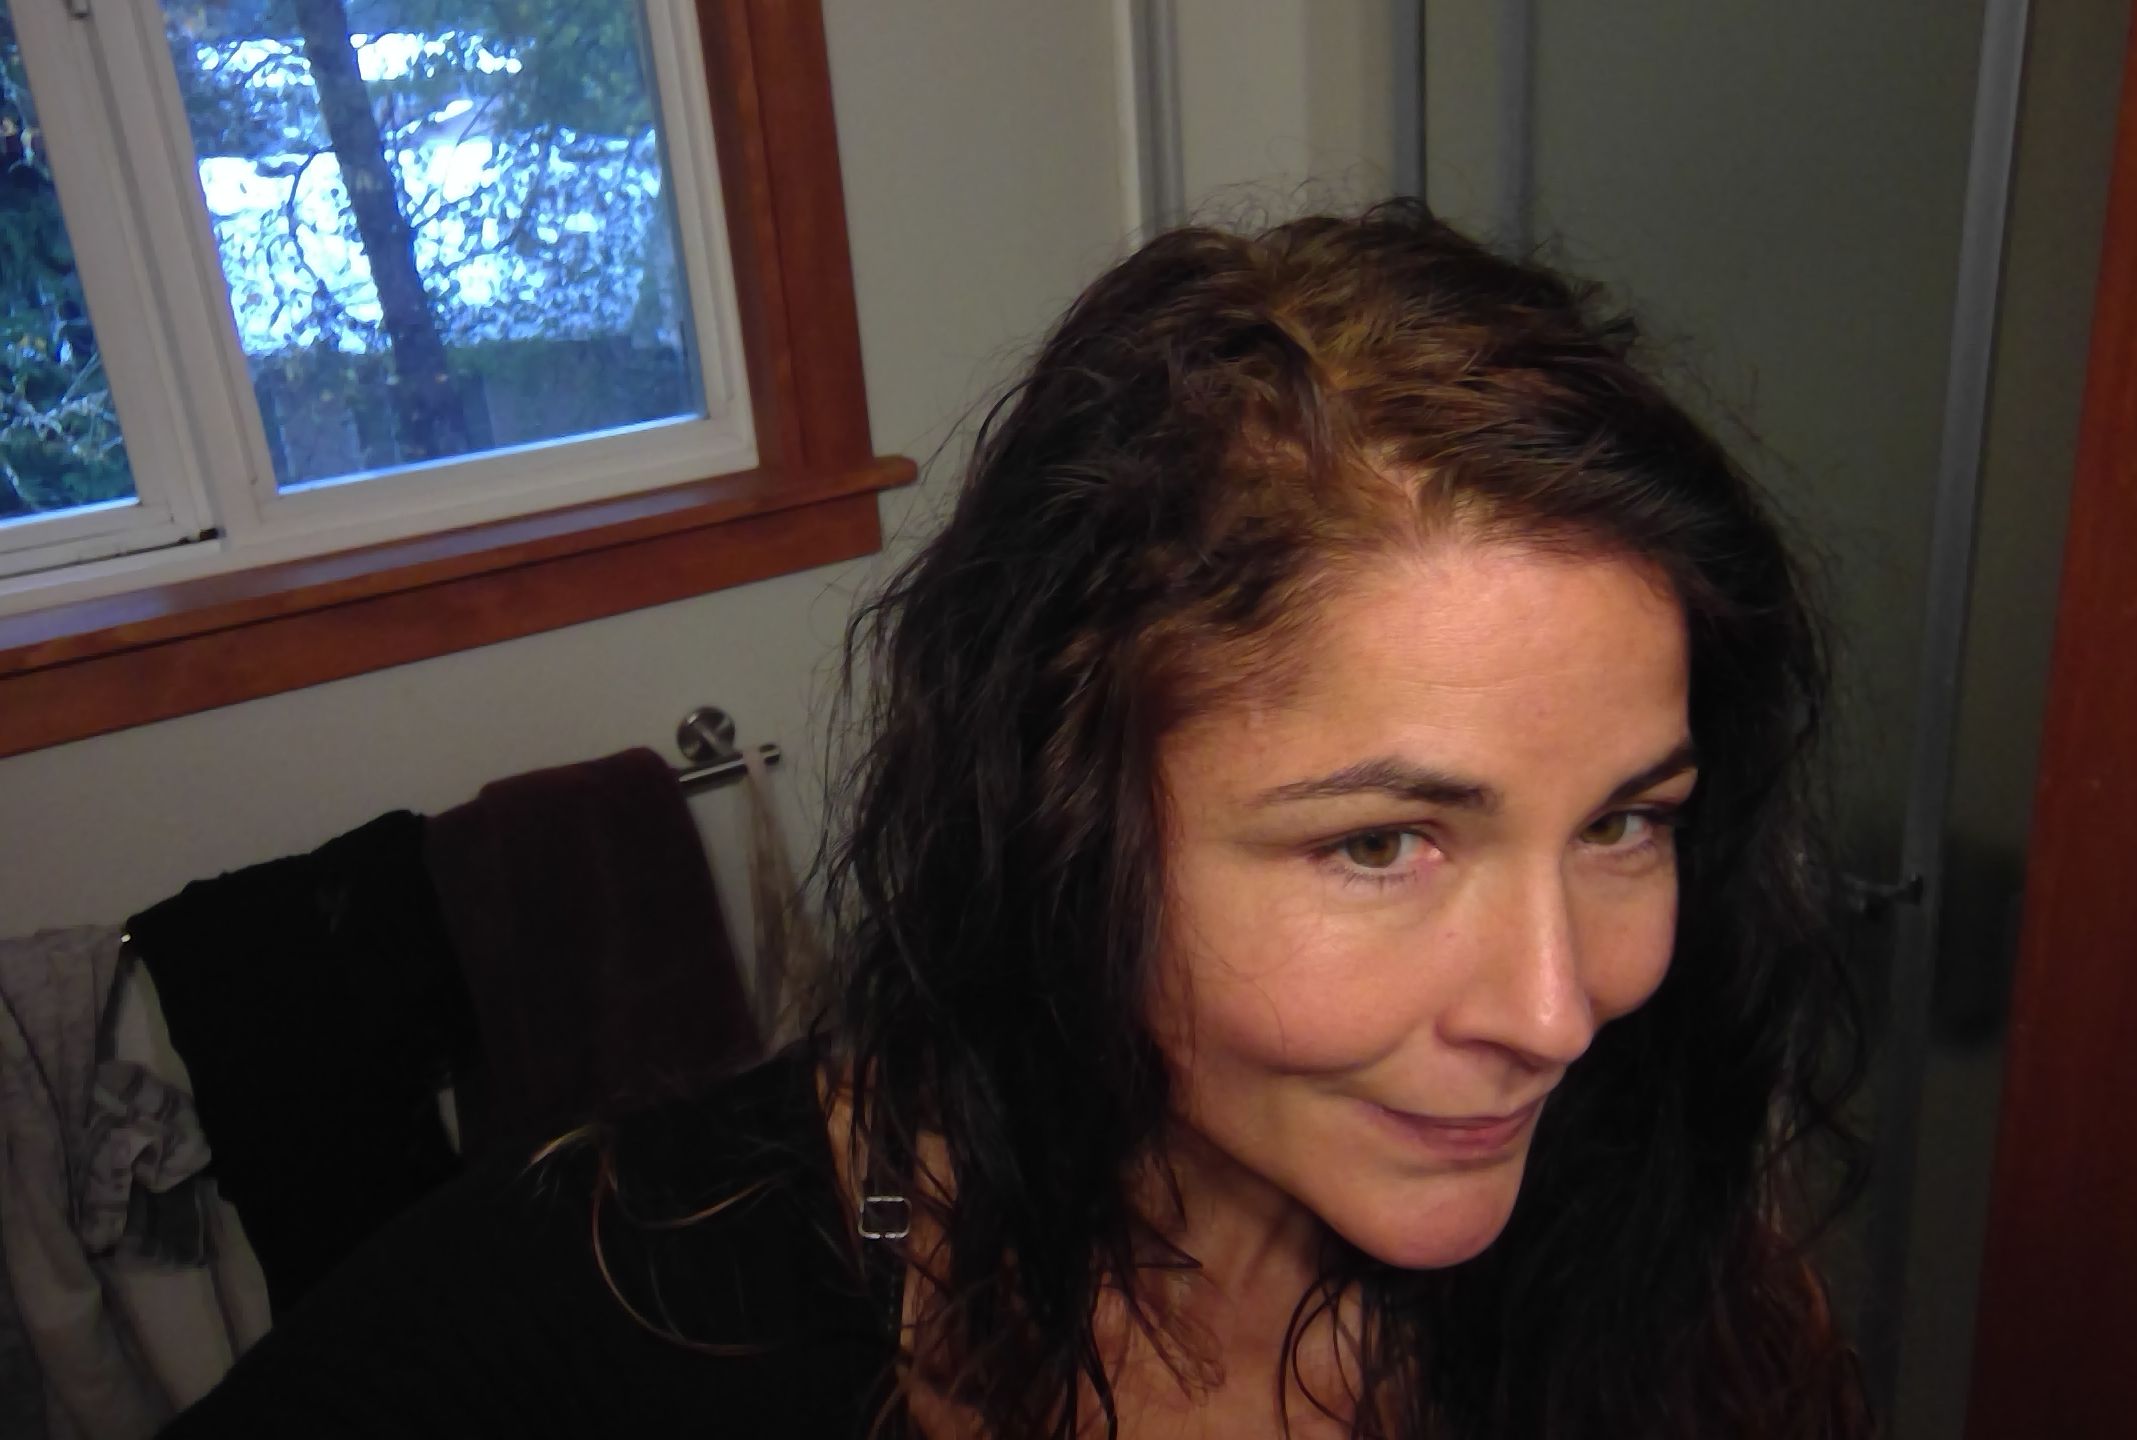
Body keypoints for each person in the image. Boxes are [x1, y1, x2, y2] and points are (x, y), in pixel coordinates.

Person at [166, 202, 1871, 1438]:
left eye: (1626, 825)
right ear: (1062, 816)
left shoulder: (1660, 1250)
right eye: (1381, 844)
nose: (1558, 1012)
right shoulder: (592, 1320)